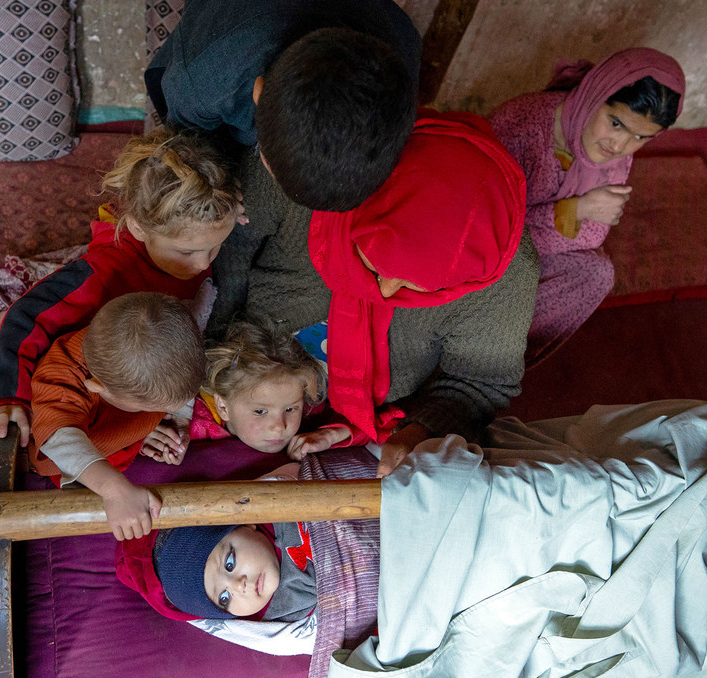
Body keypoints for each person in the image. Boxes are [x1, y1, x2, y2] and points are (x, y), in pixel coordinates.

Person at [210, 110, 537, 478]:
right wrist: (206, 367)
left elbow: (477, 383)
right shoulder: (308, 167)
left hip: (368, 423)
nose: (383, 291)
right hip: (230, 374)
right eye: (375, 264)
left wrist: (417, 432)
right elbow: (221, 258)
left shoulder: (501, 272)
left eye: (415, 287)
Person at [0, 128, 245, 447]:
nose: (202, 264)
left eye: (215, 246)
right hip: (75, 363)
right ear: (138, 229)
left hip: (134, 360)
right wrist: (5, 398)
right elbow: (27, 317)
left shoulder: (193, 230)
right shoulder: (102, 274)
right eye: (187, 252)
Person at [488, 47, 685, 366]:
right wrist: (573, 210)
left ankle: (497, 364)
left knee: (595, 273)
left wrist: (557, 219)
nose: (619, 146)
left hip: (524, 252)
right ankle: (468, 349)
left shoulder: (616, 155)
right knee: (511, 261)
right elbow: (482, 225)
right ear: (596, 94)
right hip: (479, 254)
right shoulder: (521, 126)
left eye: (640, 137)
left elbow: (589, 238)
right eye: (616, 122)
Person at [146, 0, 422, 211]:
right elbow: (189, 140)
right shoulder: (203, 77)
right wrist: (214, 180)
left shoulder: (403, 46)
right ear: (258, 90)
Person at [30, 292, 206, 541]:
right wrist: (114, 490)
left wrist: (179, 417)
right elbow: (59, 439)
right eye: (150, 407)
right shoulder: (63, 378)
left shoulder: (154, 353)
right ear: (98, 387)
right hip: (65, 468)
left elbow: (180, 386)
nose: (161, 411)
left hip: (116, 441)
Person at [141, 321, 392, 463]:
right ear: (223, 407)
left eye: (290, 409)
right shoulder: (187, 423)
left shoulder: (310, 410)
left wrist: (332, 436)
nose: (279, 426)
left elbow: (379, 426)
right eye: (260, 411)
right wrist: (145, 441)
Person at [115, 521, 316, 621]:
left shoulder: (278, 501)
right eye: (225, 598)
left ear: (246, 524)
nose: (238, 585)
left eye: (230, 563)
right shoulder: (289, 614)